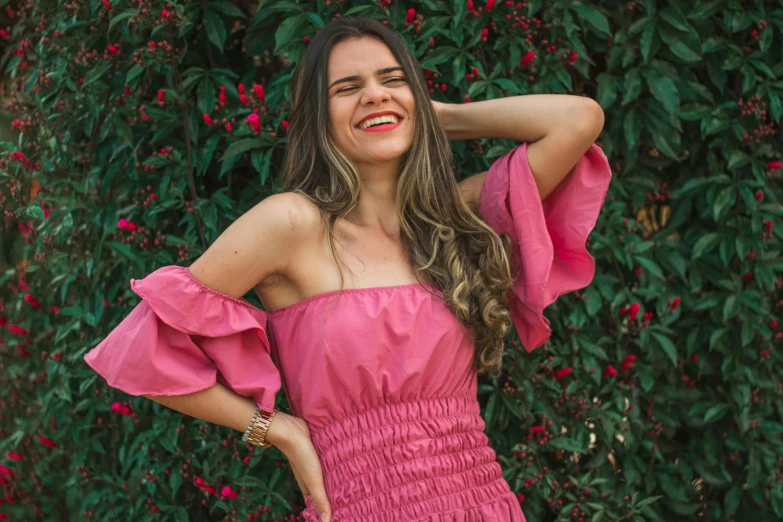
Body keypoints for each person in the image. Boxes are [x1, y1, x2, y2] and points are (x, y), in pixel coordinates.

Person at [84, 15, 610, 522]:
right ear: (319, 116)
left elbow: (578, 119)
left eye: (391, 80)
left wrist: (432, 115)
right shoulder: (291, 223)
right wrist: (277, 430)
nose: (375, 95)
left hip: (481, 499)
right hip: (358, 503)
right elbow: (141, 351)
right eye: (347, 88)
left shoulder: (452, 219)